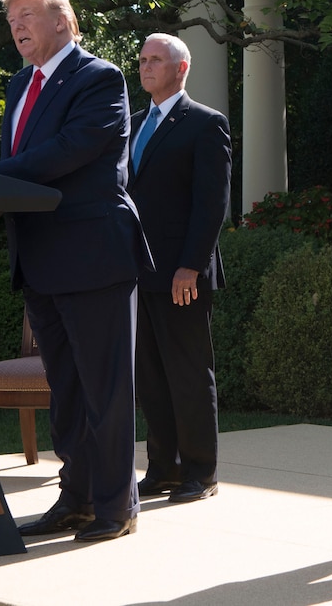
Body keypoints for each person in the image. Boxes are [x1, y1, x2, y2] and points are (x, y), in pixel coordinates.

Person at [0, 0, 152, 542]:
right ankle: (76, 497)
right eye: (12, 21)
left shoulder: (98, 79)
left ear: (64, 21)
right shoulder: (18, 84)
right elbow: (20, 158)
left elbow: (67, 152)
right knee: (67, 389)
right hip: (39, 256)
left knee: (104, 388)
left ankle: (115, 506)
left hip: (91, 254)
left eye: (27, 16)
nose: (17, 28)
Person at [128, 33, 232, 503]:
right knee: (148, 377)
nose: (146, 67)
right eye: (143, 60)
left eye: (156, 60)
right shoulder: (130, 124)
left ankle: (200, 472)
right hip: (135, 273)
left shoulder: (206, 124)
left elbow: (211, 205)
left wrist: (190, 266)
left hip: (180, 275)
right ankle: (163, 467)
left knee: (189, 374)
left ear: (181, 68)